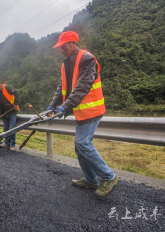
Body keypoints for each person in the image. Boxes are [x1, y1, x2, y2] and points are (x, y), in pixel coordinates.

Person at [47, 31, 118, 197]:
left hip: (92, 109)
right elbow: (61, 87)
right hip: (81, 112)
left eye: (63, 46)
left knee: (82, 143)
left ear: (72, 43)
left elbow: (83, 86)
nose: (61, 49)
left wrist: (65, 106)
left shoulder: (87, 59)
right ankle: (91, 180)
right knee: (80, 147)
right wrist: (53, 104)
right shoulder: (66, 64)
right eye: (59, 47)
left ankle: (109, 176)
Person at [0, 79, 19, 150]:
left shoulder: (6, 87)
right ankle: (7, 144)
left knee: (12, 128)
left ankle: (12, 145)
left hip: (12, 111)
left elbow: (16, 91)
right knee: (6, 129)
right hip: (4, 113)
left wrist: (15, 104)